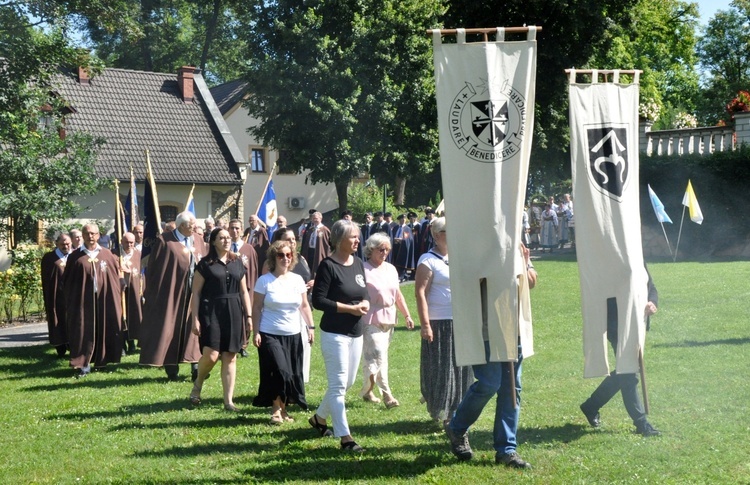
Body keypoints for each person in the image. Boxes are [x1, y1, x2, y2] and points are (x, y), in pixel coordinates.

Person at [444, 243, 538, 469]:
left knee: (511, 390)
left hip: (513, 330)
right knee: (490, 383)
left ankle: (506, 450)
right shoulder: (479, 243)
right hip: (486, 329)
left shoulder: (517, 245)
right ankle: (457, 427)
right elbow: (468, 284)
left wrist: (524, 263)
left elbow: (532, 281)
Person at [308, 219, 369, 453]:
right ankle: (346, 438)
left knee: (348, 382)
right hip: (334, 333)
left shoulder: (359, 263)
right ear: (339, 239)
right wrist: (349, 308)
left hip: (356, 332)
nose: (357, 240)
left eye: (357, 236)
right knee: (337, 385)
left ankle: (319, 419)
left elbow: (364, 292)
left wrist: (364, 303)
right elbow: (318, 300)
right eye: (352, 237)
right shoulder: (328, 266)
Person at [579, 273, 661, 437]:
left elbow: (650, 285)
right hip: (616, 324)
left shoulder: (635, 255)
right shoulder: (609, 258)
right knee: (628, 373)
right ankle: (641, 422)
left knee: (625, 371)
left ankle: (591, 405)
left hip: (637, 322)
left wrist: (652, 302)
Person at [414, 217, 473, 424]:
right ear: (438, 235)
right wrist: (426, 325)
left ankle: (458, 408)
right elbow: (420, 293)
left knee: (461, 368)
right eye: (450, 231)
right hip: (439, 322)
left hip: (460, 320)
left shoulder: (458, 257)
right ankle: (444, 411)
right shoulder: (427, 260)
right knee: (442, 368)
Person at [189, 228, 253, 411]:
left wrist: (248, 316)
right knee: (211, 355)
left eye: (228, 237)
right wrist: (195, 318)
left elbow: (243, 291)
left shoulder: (237, 262)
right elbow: (196, 293)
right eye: (222, 238)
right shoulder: (205, 264)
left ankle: (228, 401)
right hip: (211, 311)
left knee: (230, 356)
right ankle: (198, 383)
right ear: (213, 241)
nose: (226, 240)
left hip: (233, 311)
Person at [251, 241, 315, 423]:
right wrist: (255, 332)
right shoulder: (264, 281)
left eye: (288, 255)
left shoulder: (297, 280)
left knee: (291, 373)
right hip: (269, 333)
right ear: (273, 258)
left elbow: (304, 305)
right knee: (279, 371)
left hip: (293, 334)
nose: (285, 259)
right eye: (280, 255)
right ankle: (275, 411)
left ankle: (282, 410)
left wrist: (310, 327)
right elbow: (256, 308)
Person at [139, 211, 205, 381]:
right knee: (171, 328)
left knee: (194, 327)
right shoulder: (166, 241)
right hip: (172, 293)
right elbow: (156, 269)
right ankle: (171, 367)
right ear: (182, 226)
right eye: (192, 225)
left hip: (194, 292)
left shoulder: (197, 239)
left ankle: (196, 366)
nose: (195, 228)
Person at [360, 232, 414, 408]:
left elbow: (398, 295)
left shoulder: (391, 269)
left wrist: (407, 315)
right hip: (370, 318)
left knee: (374, 358)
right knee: (379, 355)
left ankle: (367, 391)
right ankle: (387, 395)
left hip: (389, 318)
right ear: (371, 250)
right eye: (381, 249)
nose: (384, 252)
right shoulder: (363, 269)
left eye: (387, 249)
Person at [63, 224, 123, 377]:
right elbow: (68, 281)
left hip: (103, 300)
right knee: (83, 331)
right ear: (82, 235)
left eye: (93, 233)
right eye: (87, 233)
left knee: (103, 329)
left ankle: (102, 360)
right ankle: (83, 364)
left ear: (98, 235)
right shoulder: (75, 256)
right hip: (82, 301)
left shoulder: (107, 255)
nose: (90, 236)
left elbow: (114, 280)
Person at [269, 227, 315, 382]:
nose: (292, 242)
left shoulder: (301, 259)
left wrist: (311, 283)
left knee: (304, 347)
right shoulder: (276, 261)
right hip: (283, 311)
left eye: (294, 239)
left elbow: (306, 276)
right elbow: (267, 284)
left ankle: (299, 381)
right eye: (288, 239)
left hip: (303, 307)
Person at [228, 218, 259, 358]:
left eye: (237, 228)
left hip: (246, 288)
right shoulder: (224, 247)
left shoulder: (248, 249)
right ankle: (231, 342)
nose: (234, 231)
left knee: (246, 314)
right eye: (232, 228)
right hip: (229, 288)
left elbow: (253, 268)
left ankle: (243, 344)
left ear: (241, 230)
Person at [40, 233, 71, 357]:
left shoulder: (74, 256)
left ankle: (72, 344)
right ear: (57, 244)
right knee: (58, 319)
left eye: (68, 244)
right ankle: (60, 346)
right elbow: (47, 279)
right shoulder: (49, 258)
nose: (65, 246)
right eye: (63, 244)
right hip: (56, 296)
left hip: (72, 296)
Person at [120, 232, 143, 354]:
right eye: (126, 242)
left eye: (131, 243)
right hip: (120, 292)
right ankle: (121, 344)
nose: (129, 245)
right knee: (121, 317)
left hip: (134, 291)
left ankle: (132, 343)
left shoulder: (139, 255)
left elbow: (141, 273)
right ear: (121, 242)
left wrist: (129, 271)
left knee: (133, 317)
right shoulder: (115, 255)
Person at [300, 211, 330, 279]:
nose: (314, 220)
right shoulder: (310, 229)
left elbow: (328, 243)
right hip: (310, 251)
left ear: (320, 218)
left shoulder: (324, 230)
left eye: (316, 218)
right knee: (309, 267)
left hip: (318, 251)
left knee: (317, 267)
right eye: (313, 218)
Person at [391, 214, 414, 282]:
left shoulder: (407, 228)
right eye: (401, 219)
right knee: (395, 261)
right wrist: (394, 239)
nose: (403, 220)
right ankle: (396, 275)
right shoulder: (395, 228)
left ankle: (402, 276)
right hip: (395, 246)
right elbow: (392, 235)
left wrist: (402, 240)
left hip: (403, 247)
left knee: (402, 261)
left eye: (404, 219)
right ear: (399, 220)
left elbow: (409, 239)